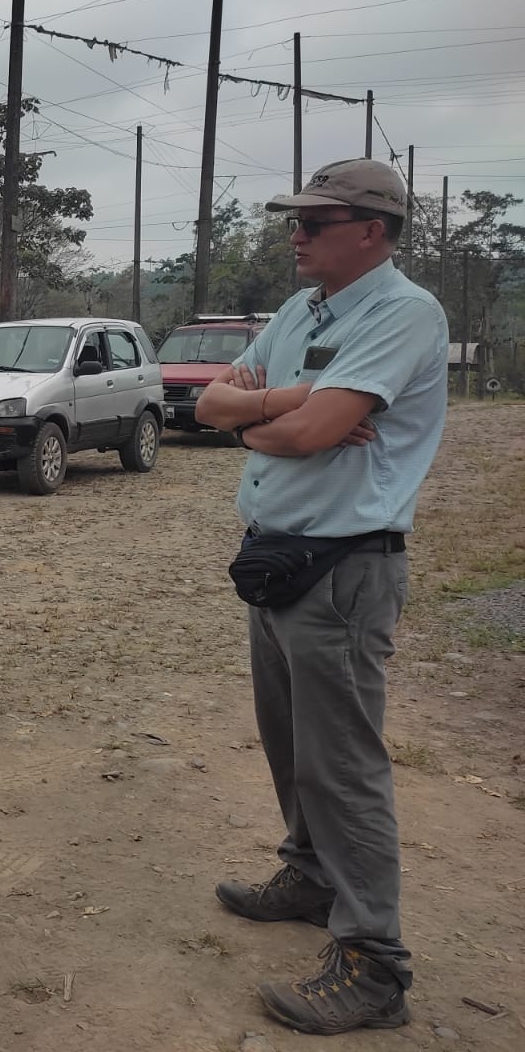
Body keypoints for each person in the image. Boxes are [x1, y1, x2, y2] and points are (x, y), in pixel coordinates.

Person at [194, 159, 448, 1035]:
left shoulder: (403, 313)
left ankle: (375, 963)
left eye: (315, 221)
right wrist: (291, 406)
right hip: (278, 556)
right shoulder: (302, 311)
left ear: (372, 230)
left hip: (345, 566)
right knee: (289, 740)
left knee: (341, 764)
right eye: (294, 221)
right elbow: (209, 406)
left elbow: (302, 433)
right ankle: (310, 876)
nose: (295, 234)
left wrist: (270, 416)